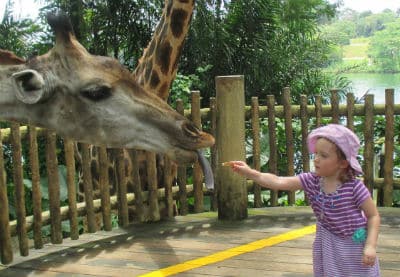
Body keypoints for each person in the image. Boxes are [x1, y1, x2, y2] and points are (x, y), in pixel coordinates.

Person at [226, 124, 380, 276]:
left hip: (354, 245)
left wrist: (371, 246)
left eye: (324, 156)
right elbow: (278, 181)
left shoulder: (354, 187)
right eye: (316, 154)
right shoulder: (311, 180)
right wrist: (250, 173)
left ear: (343, 163)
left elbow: (373, 216)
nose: (317, 159)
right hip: (328, 243)